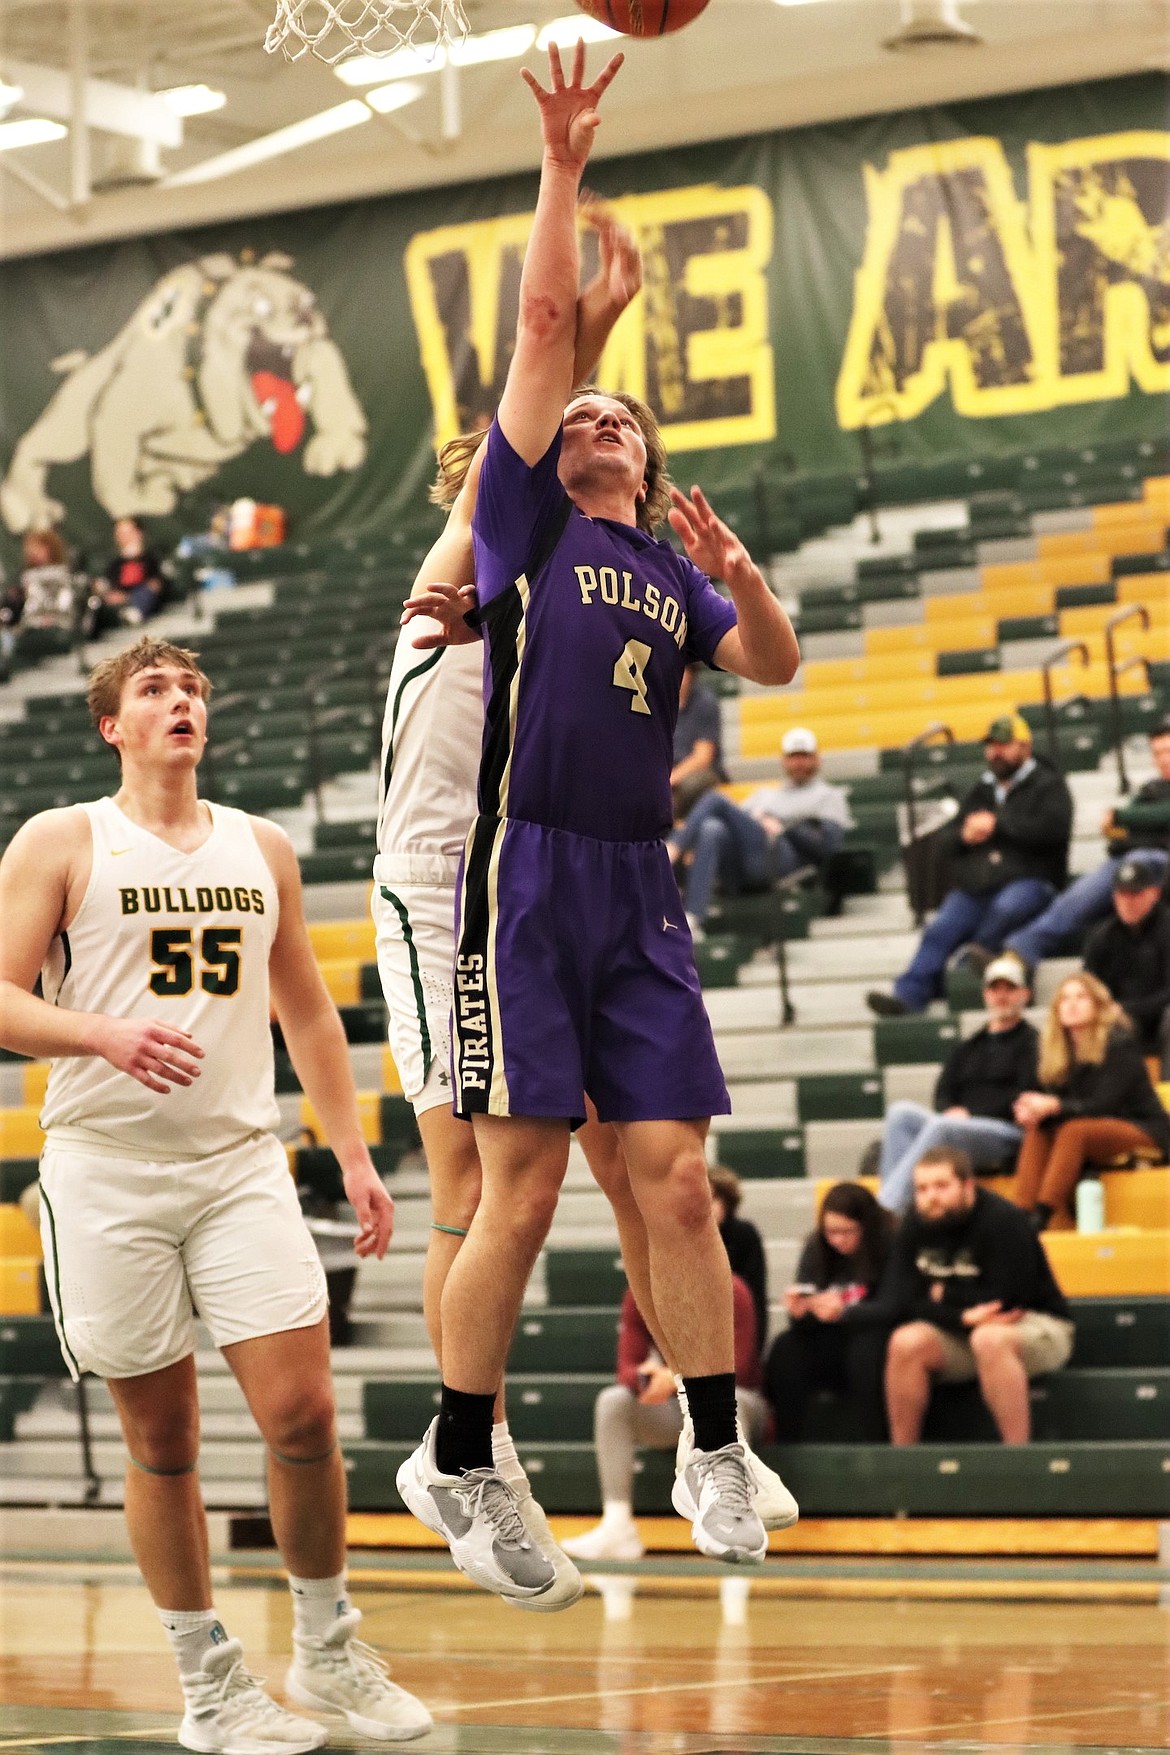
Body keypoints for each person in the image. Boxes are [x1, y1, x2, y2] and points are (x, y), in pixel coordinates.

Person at [395, 42, 800, 1589]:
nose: (594, 420)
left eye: (618, 417)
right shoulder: (520, 528)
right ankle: (459, 1443)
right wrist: (561, 167)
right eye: (575, 416)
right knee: (524, 1181)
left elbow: (769, 662)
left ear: (649, 453)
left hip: (642, 886)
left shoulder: (677, 572)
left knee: (677, 1178)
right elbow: (548, 327)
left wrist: (751, 587)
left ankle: (710, 1444)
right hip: (523, 875)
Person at [0, 636, 431, 1750]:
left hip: (240, 1166)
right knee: (167, 1440)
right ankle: (209, 1684)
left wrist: (351, 1151)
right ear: (114, 726)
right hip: (105, 1173)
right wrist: (99, 1030)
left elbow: (309, 1014)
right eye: (154, 690)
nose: (180, 701)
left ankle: (329, 1649)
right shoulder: (62, 839)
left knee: (304, 1413)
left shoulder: (261, 845)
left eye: (192, 688)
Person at [374, 198, 648, 1611]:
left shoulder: (550, 585)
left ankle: (475, 1447)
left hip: (511, 891)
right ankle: (468, 1457)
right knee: (474, 1187)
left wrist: (595, 336)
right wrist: (575, 286)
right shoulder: (463, 564)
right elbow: (534, 373)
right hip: (438, 891)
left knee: (531, 1182)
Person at [562, 1203, 769, 1563]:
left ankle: (736, 1517)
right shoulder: (640, 1293)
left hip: (740, 1403)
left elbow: (742, 1368)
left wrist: (673, 1376)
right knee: (613, 1400)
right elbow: (626, 1368)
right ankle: (617, 1525)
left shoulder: (733, 1291)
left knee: (732, 1397)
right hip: (678, 1408)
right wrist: (647, 1379)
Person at [867, 714, 1072, 1016]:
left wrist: (997, 824)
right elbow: (946, 840)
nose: (995, 753)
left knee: (1007, 909)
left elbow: (1053, 830)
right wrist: (964, 835)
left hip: (1031, 880)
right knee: (940, 928)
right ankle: (908, 996)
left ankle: (959, 975)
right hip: (978, 886)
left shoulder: (1048, 784)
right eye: (990, 746)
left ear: (1024, 747)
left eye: (1003, 745)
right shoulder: (982, 789)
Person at [880, 1147, 1074, 1445]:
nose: (931, 1196)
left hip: (1037, 1325)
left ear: (968, 1185)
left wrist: (942, 1294)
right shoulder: (915, 1224)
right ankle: (904, 1463)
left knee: (990, 1339)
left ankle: (1017, 1459)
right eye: (922, 1188)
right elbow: (901, 1299)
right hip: (963, 1328)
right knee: (906, 1342)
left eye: (941, 1186)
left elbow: (1009, 1299)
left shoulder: (1004, 1219)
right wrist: (959, 1314)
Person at [875, 953, 1038, 1212]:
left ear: (1025, 995)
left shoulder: (1034, 1044)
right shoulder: (968, 1046)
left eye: (1010, 988)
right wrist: (950, 1109)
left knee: (943, 1127)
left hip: (1006, 1131)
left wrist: (970, 1114)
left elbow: (1025, 1097)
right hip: (958, 1125)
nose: (1002, 995)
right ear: (985, 994)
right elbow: (943, 1091)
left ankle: (885, 1211)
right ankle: (903, 1207)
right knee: (900, 1114)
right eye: (995, 988)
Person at [1011, 972, 1170, 1230]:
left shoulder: (1119, 1043)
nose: (1071, 1004)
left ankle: (1041, 1217)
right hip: (1089, 1129)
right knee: (1038, 1130)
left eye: (1081, 997)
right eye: (1065, 999)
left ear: (1098, 1005)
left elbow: (1103, 1105)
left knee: (1074, 1131)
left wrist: (1052, 1106)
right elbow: (1051, 1101)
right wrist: (1030, 1111)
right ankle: (1019, 1219)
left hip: (1142, 1127)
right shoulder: (1055, 1049)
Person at [1006, 718, 1170, 965]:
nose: (1163, 759)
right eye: (1157, 753)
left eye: (1168, 751)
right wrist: (1130, 823)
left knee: (1135, 864)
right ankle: (1018, 954)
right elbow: (1118, 829)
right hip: (1131, 858)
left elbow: (1139, 816)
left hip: (1156, 860)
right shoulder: (1151, 789)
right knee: (1092, 885)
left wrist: (1124, 817)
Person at [667, 726, 852, 936]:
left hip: (783, 859)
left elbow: (827, 847)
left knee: (714, 799)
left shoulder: (829, 795)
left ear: (816, 759)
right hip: (744, 863)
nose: (799, 762)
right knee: (712, 828)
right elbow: (736, 821)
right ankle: (693, 918)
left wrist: (784, 826)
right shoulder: (766, 794)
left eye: (805, 756)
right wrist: (757, 821)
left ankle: (673, 848)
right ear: (784, 760)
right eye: (793, 756)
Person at [763, 1182, 893, 1442]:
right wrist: (801, 1312)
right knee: (785, 1348)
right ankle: (787, 1444)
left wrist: (844, 1312)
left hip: (877, 1337)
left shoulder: (890, 1243)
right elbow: (807, 1307)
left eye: (848, 1231)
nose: (838, 1240)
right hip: (831, 1339)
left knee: (865, 1351)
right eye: (831, 1232)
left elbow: (895, 1306)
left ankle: (875, 1447)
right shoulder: (817, 1247)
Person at [1082, 856, 1170, 1076]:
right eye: (1122, 894)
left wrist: (1127, 1009)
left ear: (1155, 894)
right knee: (1100, 1022)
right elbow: (1091, 987)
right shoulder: (1101, 936)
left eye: (1135, 894)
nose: (1128, 902)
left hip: (1160, 1013)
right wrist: (1110, 1010)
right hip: (1122, 1017)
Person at [709, 1164, 767, 1362]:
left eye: (715, 1199)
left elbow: (756, 1299)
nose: (708, 1206)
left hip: (736, 1337)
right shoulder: (676, 1238)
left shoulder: (744, 1235)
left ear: (727, 1202)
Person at [86, 516, 165, 635]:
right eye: (119, 534)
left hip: (140, 598)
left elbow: (155, 584)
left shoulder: (150, 557)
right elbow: (109, 582)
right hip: (116, 600)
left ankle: (134, 614)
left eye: (127, 533)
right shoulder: (114, 563)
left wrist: (128, 597)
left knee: (145, 592)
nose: (123, 538)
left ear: (138, 533)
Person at [671, 661, 726, 819]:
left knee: (691, 785)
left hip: (701, 773)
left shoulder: (704, 703)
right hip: (669, 772)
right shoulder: (658, 703)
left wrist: (669, 780)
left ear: (692, 674)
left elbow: (702, 758)